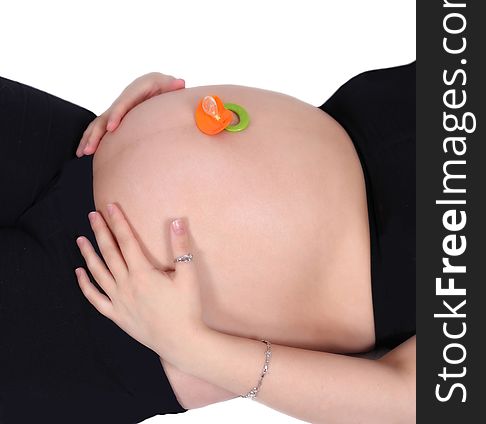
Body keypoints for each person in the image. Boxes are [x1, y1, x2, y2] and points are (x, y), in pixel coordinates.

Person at [0, 64, 416, 424]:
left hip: (112, 322)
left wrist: (194, 348)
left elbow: (408, 399)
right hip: (75, 148)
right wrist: (167, 119)